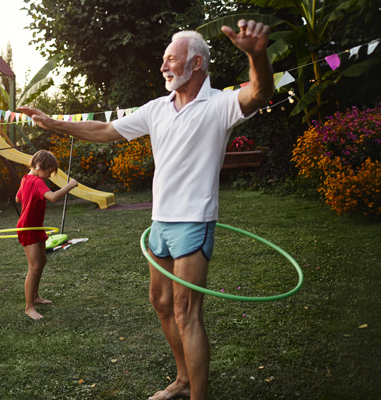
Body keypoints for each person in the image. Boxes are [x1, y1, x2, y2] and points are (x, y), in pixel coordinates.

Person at [19, 20, 274, 400]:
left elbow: (259, 92)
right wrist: (53, 123)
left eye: (172, 59)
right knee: (161, 302)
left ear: (197, 64)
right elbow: (106, 132)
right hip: (159, 222)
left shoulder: (220, 104)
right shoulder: (156, 109)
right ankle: (183, 379)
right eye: (164, 59)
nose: (163, 66)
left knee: (187, 311)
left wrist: (256, 54)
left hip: (193, 220)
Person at [15, 150, 78, 320]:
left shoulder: (26, 179)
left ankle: (35, 297)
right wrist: (70, 186)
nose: (49, 175)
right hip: (28, 227)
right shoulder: (36, 181)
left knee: (42, 262)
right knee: (34, 266)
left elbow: (17, 198)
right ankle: (29, 307)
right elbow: (52, 197)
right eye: (49, 172)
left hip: (36, 227)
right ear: (40, 166)